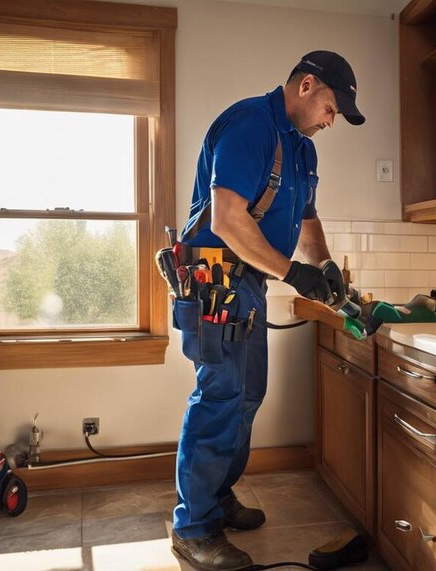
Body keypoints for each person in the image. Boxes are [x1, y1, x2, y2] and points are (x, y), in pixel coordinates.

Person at [170, 51, 366, 570]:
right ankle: (194, 527)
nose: (331, 120)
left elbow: (306, 219)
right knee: (220, 395)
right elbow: (229, 220)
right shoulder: (249, 126)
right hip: (214, 279)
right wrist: (293, 274)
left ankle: (217, 497)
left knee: (248, 395)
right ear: (306, 86)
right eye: (330, 107)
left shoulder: (302, 149)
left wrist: (322, 267)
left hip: (249, 283)